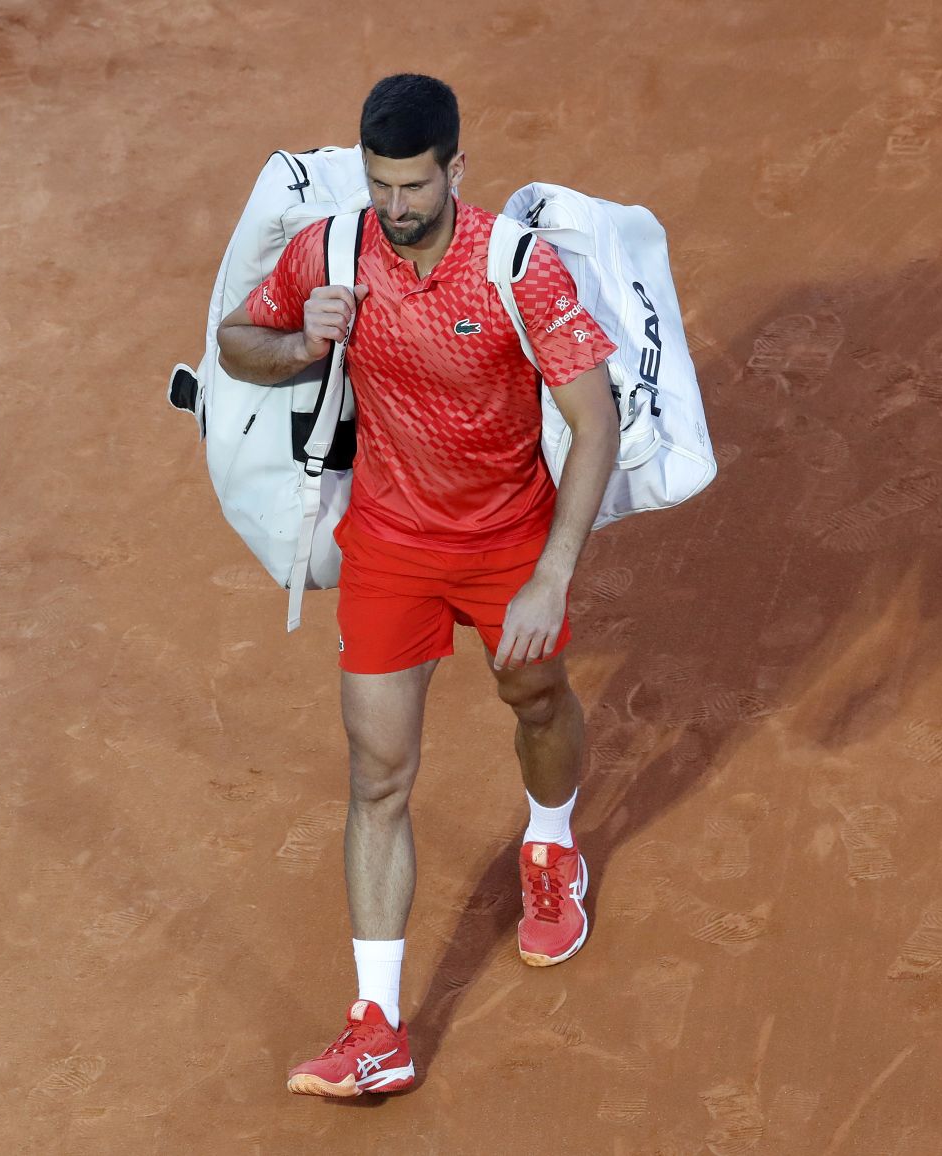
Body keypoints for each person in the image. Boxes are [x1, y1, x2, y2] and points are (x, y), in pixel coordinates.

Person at [217, 73, 619, 1098]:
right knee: (377, 776)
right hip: (390, 541)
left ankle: (551, 841)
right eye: (381, 185)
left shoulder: (516, 269)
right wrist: (303, 338)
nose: (396, 210)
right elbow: (235, 344)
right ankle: (378, 1025)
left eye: (416, 186)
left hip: (507, 542)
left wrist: (552, 573)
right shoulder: (334, 250)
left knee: (534, 696)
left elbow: (594, 421)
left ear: (455, 169)